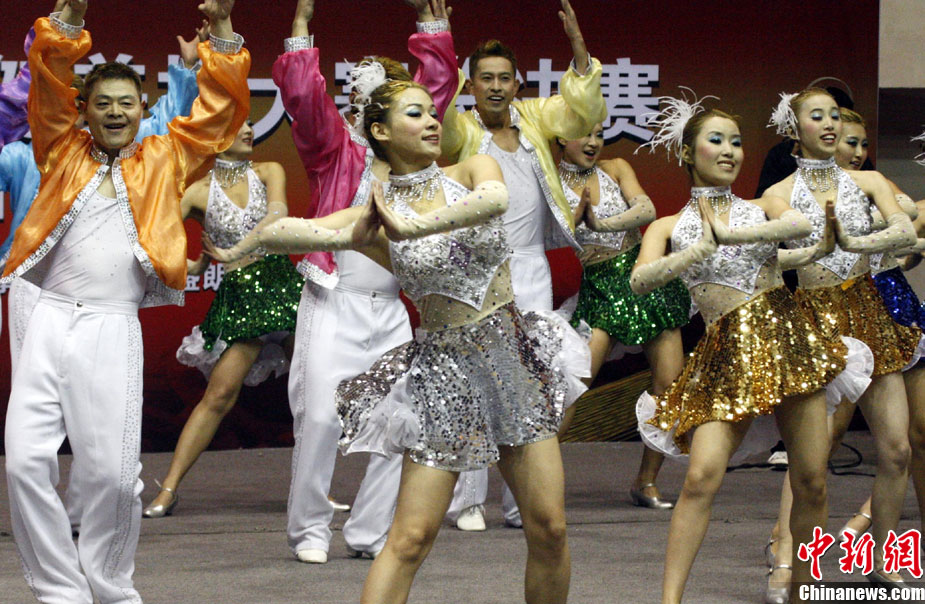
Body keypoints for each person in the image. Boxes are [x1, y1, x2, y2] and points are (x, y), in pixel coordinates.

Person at [227, 77, 588, 603]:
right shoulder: (372, 216)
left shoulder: (472, 169)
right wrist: (331, 236)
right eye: (415, 114)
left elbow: (494, 199)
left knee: (550, 528)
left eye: (432, 113)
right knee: (411, 538)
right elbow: (280, 234)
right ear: (380, 131)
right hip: (444, 376)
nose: (432, 122)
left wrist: (414, 228)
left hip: (511, 357)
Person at [1, 0, 250, 601]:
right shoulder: (60, 148)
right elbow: (48, 81)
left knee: (113, 479)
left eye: (127, 103)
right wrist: (67, 17)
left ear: (144, 109)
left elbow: (219, 113)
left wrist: (222, 32)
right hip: (47, 318)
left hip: (111, 329)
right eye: (103, 103)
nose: (115, 112)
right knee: (24, 463)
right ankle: (60, 591)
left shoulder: (165, 157)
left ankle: (111, 588)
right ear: (83, 111)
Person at [631, 94, 865, 603]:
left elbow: (796, 226)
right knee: (700, 478)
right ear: (687, 153)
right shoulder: (666, 227)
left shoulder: (762, 206)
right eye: (716, 140)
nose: (729, 151)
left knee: (811, 480)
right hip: (725, 356)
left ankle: (802, 589)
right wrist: (697, 249)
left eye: (736, 142)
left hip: (786, 343)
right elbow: (640, 281)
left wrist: (733, 233)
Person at [271, 0, 460, 561]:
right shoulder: (337, 154)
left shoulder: (415, 172)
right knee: (321, 419)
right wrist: (300, 31)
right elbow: (307, 104)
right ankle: (309, 529)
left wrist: (433, 30)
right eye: (360, 96)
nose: (423, 120)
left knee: (399, 421)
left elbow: (434, 94)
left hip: (391, 310)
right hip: (334, 302)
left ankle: (369, 531)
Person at [440, 0, 606, 530]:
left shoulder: (534, 119)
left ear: (517, 84)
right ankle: (469, 500)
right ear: (470, 85)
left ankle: (522, 502)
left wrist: (578, 49)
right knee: (477, 381)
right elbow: (437, 118)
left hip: (532, 268)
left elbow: (581, 113)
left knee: (535, 382)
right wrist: (439, 37)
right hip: (481, 269)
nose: (495, 87)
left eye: (504, 78)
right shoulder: (461, 129)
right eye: (485, 78)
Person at [761, 88, 919, 590]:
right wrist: (817, 245)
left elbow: (902, 231)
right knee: (810, 461)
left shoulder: (868, 181)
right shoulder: (778, 193)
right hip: (815, 320)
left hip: (869, 311)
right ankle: (784, 556)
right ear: (795, 130)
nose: (829, 123)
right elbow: (776, 253)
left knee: (896, 450)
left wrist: (854, 240)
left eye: (834, 115)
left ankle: (883, 558)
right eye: (817, 116)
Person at [141, 119, 303, 518]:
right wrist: (193, 265)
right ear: (214, 138)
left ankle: (314, 492)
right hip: (242, 299)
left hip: (283, 287)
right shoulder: (197, 191)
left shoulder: (268, 171)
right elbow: (155, 239)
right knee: (218, 397)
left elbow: (279, 215)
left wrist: (235, 251)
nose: (249, 131)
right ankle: (169, 488)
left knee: (311, 393)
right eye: (237, 127)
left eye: (250, 125)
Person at [556, 122, 690, 509]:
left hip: (643, 279)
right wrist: (576, 222)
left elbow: (646, 209)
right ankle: (535, 484)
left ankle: (646, 481)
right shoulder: (549, 182)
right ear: (561, 136)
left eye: (599, 133)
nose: (594, 142)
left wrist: (601, 223)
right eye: (584, 133)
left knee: (670, 388)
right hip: (600, 290)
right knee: (571, 387)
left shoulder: (616, 167)